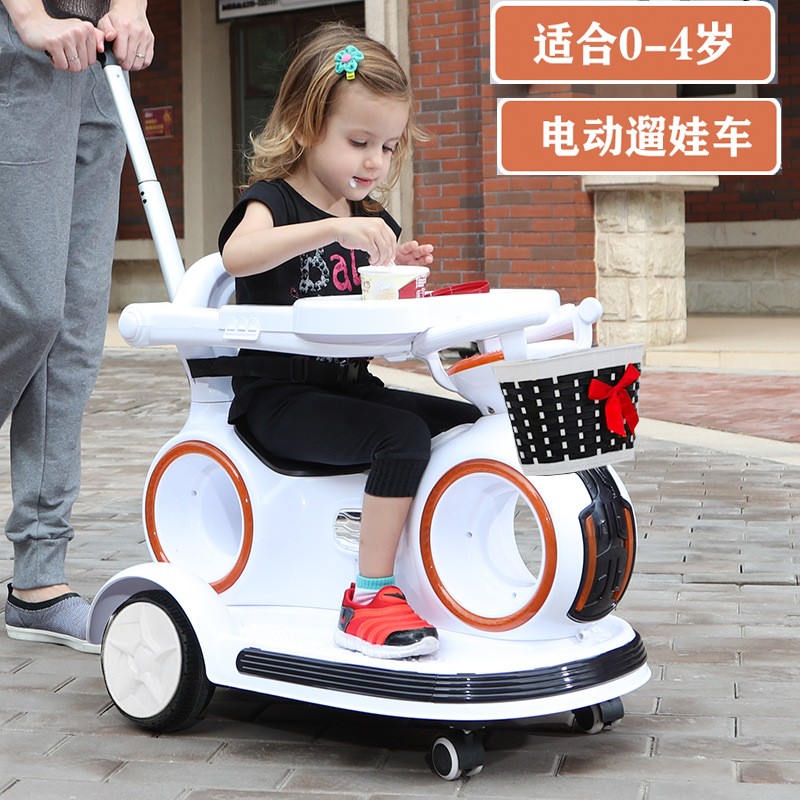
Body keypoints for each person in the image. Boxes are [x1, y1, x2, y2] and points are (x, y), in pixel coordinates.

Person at [218, 22, 481, 660]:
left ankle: (438, 567)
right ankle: (368, 597)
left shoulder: (370, 220)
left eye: (388, 147)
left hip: (351, 387)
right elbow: (237, 256)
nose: (375, 163)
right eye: (359, 142)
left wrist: (401, 274)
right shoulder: (274, 203)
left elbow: (382, 333)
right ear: (306, 126)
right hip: (279, 400)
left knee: (469, 424)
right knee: (401, 436)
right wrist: (328, 231)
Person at [1, 0, 154, 653]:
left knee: (75, 332)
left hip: (99, 63)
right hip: (23, 51)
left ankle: (39, 579)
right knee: (30, 308)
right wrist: (29, 17)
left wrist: (131, 9)